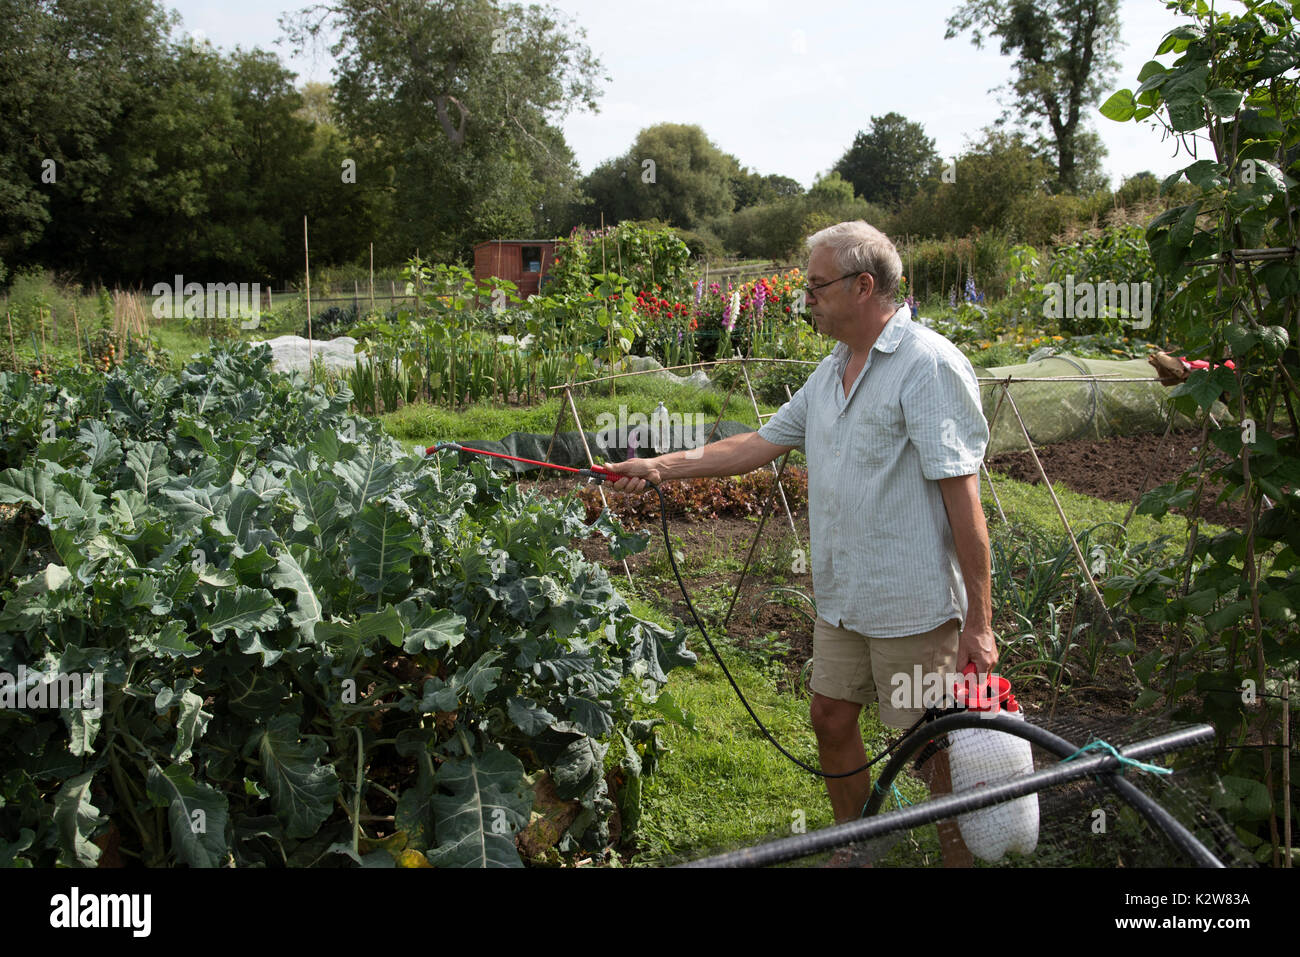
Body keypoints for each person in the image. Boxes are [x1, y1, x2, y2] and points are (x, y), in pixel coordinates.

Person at [602, 221, 995, 865]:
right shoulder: (834, 368)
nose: (805, 298)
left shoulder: (927, 367)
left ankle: (961, 861)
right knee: (831, 720)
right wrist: (660, 466)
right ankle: (857, 849)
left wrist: (979, 622)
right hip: (842, 598)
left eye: (816, 286)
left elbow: (965, 506)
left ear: (864, 286)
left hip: (910, 605)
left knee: (927, 747)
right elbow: (758, 444)